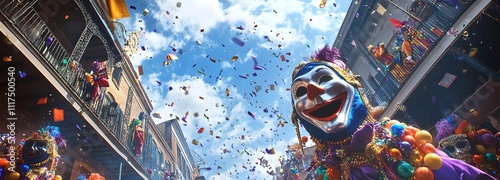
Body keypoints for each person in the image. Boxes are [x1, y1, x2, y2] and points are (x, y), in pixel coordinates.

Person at [290, 44, 494, 179]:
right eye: (300, 91)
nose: (313, 92)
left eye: (324, 78)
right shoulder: (326, 172)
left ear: (352, 83)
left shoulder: (403, 138)